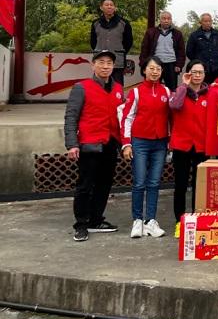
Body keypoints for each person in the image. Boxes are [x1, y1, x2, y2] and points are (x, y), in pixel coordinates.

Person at [64, 50, 124, 242]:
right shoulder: (81, 87)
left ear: (113, 67)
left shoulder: (118, 88)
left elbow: (123, 117)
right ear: (93, 65)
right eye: (101, 62)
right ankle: (81, 224)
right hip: (89, 144)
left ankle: (96, 219)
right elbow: (71, 117)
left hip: (110, 143)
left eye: (109, 63)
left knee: (104, 184)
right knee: (85, 185)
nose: (105, 66)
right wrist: (72, 144)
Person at [119, 55, 171, 239]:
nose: (155, 71)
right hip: (140, 142)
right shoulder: (136, 92)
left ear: (161, 71)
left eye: (158, 69)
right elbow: (127, 117)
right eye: (151, 68)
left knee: (155, 183)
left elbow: (172, 117)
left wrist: (170, 140)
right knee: (140, 182)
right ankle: (137, 220)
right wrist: (126, 144)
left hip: (160, 142)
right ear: (144, 70)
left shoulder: (166, 91)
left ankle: (151, 221)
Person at [169, 59, 209, 238]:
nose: (197, 75)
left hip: (201, 145)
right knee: (181, 184)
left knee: (199, 185)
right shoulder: (180, 91)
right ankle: (180, 221)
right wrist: (183, 85)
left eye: (200, 72)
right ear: (188, 73)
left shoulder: (209, 94)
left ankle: (197, 217)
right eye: (194, 72)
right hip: (181, 145)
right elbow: (174, 105)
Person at [90, 0, 133, 87]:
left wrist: (120, 51)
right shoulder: (95, 23)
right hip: (99, 59)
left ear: (115, 8)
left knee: (117, 86)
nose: (109, 7)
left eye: (111, 5)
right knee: (99, 87)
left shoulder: (124, 23)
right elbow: (93, 42)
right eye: (106, 5)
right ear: (101, 7)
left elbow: (128, 42)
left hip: (117, 61)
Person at [139, 11, 185, 91]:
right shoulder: (151, 32)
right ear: (160, 20)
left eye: (168, 18)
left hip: (171, 64)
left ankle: (171, 103)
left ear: (171, 20)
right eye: (164, 18)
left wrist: (179, 65)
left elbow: (181, 51)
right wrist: (143, 64)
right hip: (155, 64)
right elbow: (144, 49)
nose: (166, 20)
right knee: (152, 87)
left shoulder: (177, 34)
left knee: (172, 89)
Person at [186, 13, 218, 84]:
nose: (208, 23)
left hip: (215, 68)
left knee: (215, 88)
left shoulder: (217, 34)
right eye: (205, 21)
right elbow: (189, 52)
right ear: (200, 22)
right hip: (201, 69)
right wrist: (197, 61)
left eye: (209, 21)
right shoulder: (194, 35)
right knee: (202, 88)